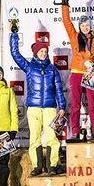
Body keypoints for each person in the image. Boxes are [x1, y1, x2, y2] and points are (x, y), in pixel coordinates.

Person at [10, 32, 66, 176]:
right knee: (34, 138)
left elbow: (58, 88)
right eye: (41, 51)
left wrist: (62, 106)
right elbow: (15, 54)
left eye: (45, 51)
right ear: (35, 53)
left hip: (50, 108)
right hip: (34, 108)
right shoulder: (29, 67)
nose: (43, 53)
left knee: (52, 138)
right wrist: (14, 35)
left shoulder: (52, 69)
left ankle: (52, 166)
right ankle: (37, 167)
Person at [61, 0, 94, 140]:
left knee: (92, 104)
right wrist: (65, 5)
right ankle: (75, 131)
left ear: (90, 26)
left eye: (87, 25)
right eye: (82, 25)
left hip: (90, 74)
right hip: (76, 73)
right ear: (79, 27)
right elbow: (66, 22)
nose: (85, 28)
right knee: (75, 105)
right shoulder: (74, 37)